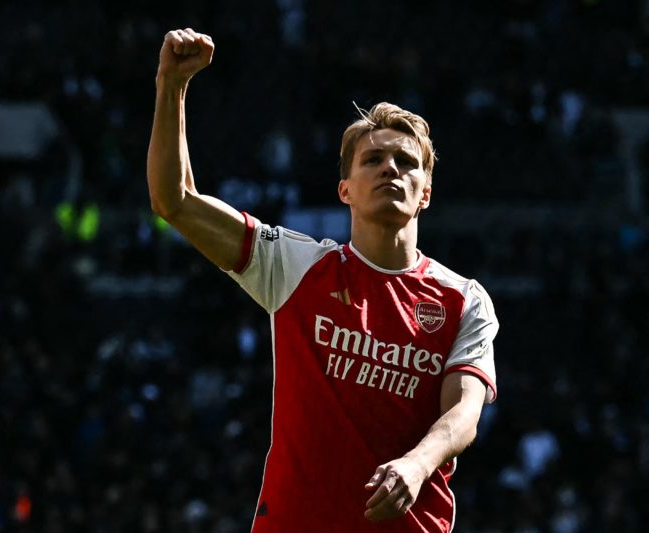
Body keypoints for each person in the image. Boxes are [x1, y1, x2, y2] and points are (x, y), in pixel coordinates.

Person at [147, 28, 499, 532]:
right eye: (373, 160)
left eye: (406, 163)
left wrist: (417, 464)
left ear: (425, 193)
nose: (390, 170)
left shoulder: (464, 300)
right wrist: (171, 86)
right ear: (345, 190)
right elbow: (173, 200)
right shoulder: (295, 266)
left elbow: (464, 413)